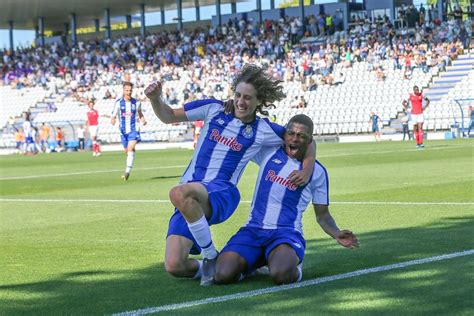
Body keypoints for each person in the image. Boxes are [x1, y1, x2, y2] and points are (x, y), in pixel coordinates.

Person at [144, 64, 316, 286]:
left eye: (247, 97)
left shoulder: (264, 129)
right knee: (174, 265)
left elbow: (305, 139)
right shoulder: (213, 108)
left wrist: (307, 169)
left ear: (258, 101)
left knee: (178, 193)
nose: (241, 102)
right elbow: (168, 116)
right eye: (237, 95)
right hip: (191, 196)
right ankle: (216, 267)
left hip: (222, 192)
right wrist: (155, 99)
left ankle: (209, 256)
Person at [215, 114, 359, 285]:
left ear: (309, 140)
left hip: (286, 233)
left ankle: (293, 267)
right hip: (253, 229)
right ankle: (254, 265)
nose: (295, 139)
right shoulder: (267, 153)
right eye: (291, 133)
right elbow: (252, 126)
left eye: (301, 136)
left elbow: (323, 216)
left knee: (281, 275)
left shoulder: (318, 172)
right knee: (223, 274)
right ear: (284, 135)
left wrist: (336, 233)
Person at [111, 81, 147, 181]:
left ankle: (127, 173)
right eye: (126, 90)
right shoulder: (118, 103)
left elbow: (140, 113)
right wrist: (113, 119)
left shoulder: (137, 103)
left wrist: (143, 120)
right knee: (127, 151)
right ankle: (130, 157)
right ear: (123, 90)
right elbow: (113, 115)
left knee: (130, 149)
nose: (128, 92)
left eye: (130, 90)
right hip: (123, 132)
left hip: (134, 129)